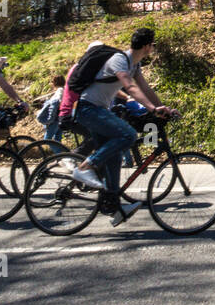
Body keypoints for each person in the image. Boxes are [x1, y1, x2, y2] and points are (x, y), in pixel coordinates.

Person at [64, 28, 175, 226]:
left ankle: (113, 207)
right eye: (152, 44)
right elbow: (130, 87)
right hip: (88, 109)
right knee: (128, 135)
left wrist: (161, 107)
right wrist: (151, 108)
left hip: (98, 110)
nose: (152, 48)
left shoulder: (135, 64)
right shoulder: (119, 59)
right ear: (147, 46)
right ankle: (85, 167)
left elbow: (145, 88)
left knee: (114, 158)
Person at [35, 73, 67, 143]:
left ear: (55, 82)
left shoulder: (60, 90)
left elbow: (57, 102)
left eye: (52, 82)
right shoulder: (64, 89)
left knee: (47, 140)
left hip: (55, 119)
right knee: (57, 139)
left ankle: (57, 153)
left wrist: (50, 118)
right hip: (60, 118)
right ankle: (62, 153)